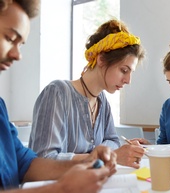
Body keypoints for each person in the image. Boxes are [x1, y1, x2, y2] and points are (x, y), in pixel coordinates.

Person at [0, 1, 117, 192]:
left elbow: (26, 164)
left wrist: (88, 161)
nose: (17, 55)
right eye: (9, 38)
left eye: (20, 44)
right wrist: (62, 188)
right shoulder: (58, 92)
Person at [28, 19, 146, 169]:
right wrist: (104, 157)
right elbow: (43, 159)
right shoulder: (57, 93)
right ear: (101, 59)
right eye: (124, 70)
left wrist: (112, 152)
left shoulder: (102, 101)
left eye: (131, 73)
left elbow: (113, 140)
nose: (128, 80)